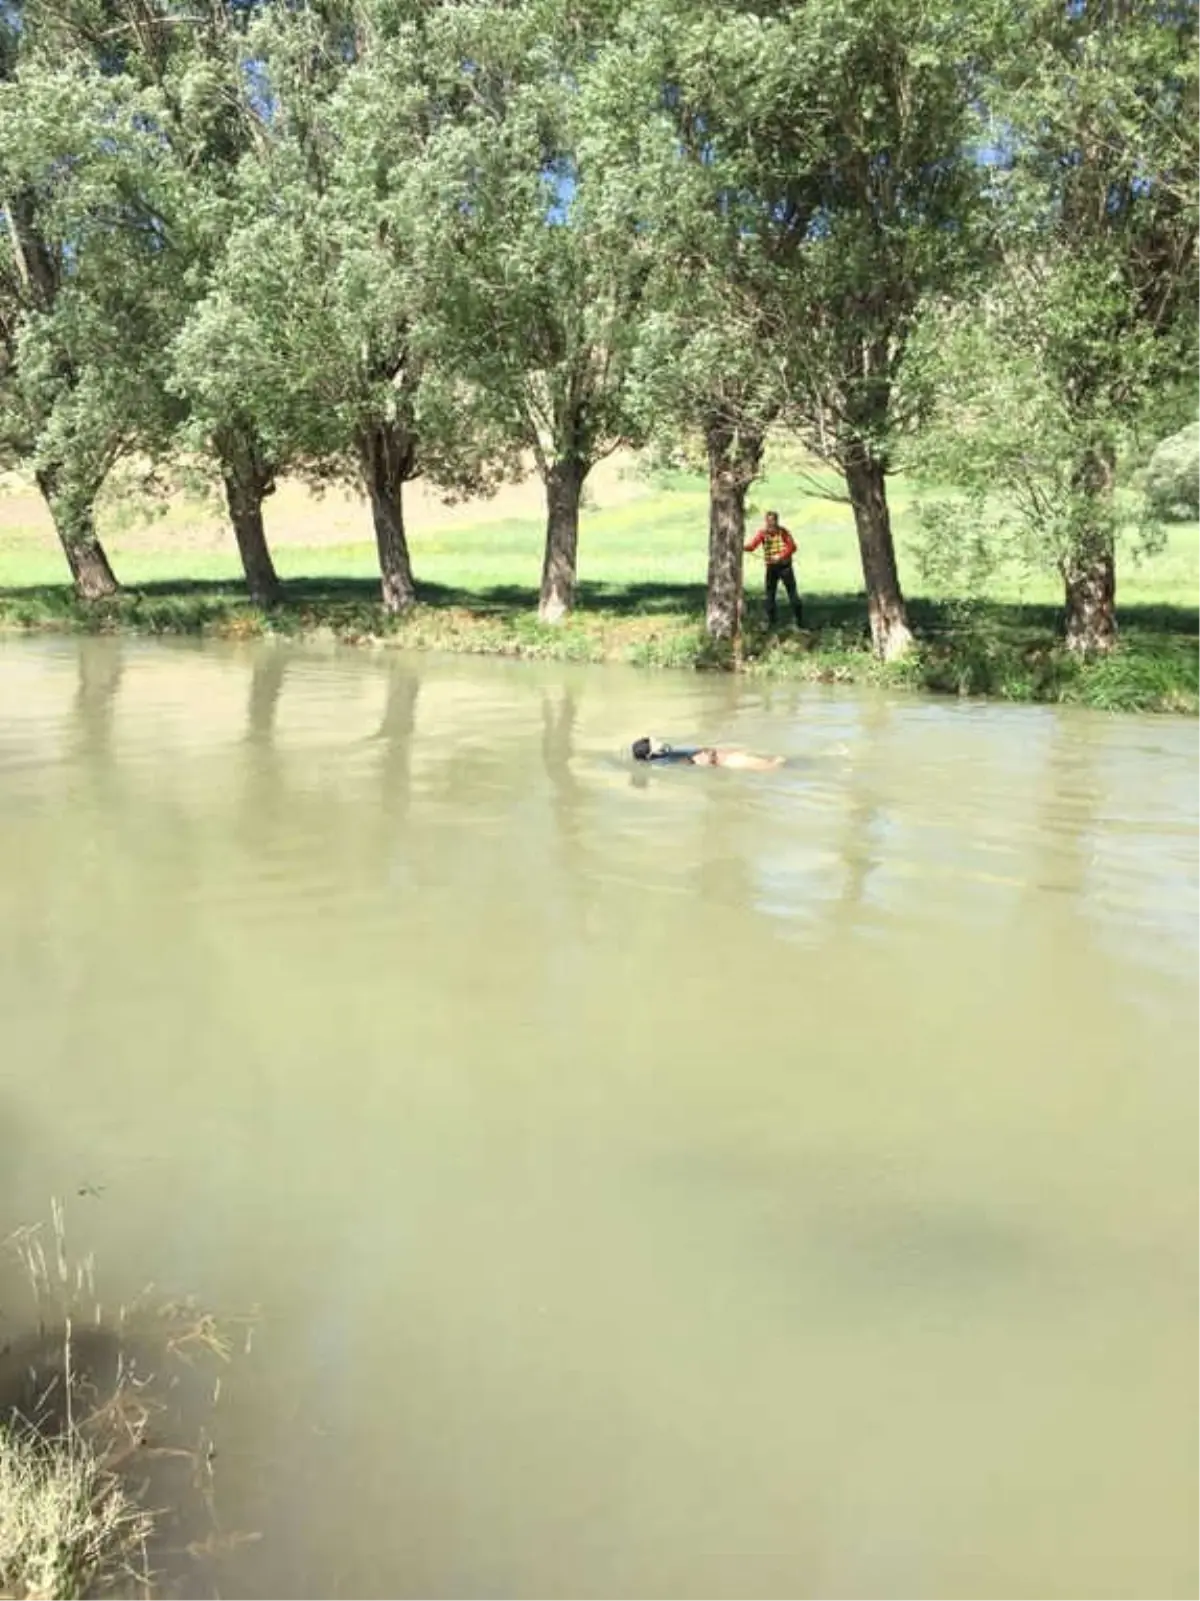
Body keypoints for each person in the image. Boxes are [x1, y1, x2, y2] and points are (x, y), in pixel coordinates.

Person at [744, 509, 803, 629]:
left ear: (776, 521)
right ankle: (772, 622)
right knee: (770, 595)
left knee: (792, 593)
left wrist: (780, 556)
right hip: (771, 568)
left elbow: (792, 547)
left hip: (785, 567)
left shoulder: (783, 532)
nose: (770, 524)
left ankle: (800, 620)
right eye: (768, 522)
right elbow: (752, 546)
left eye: (773, 521)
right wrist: (741, 547)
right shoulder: (763, 533)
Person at [631, 737, 783, 771]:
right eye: (654, 743)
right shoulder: (664, 761)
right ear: (651, 753)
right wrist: (711, 758)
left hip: (718, 755)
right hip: (721, 760)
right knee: (773, 765)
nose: (657, 741)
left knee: (769, 760)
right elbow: (692, 762)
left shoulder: (665, 754)